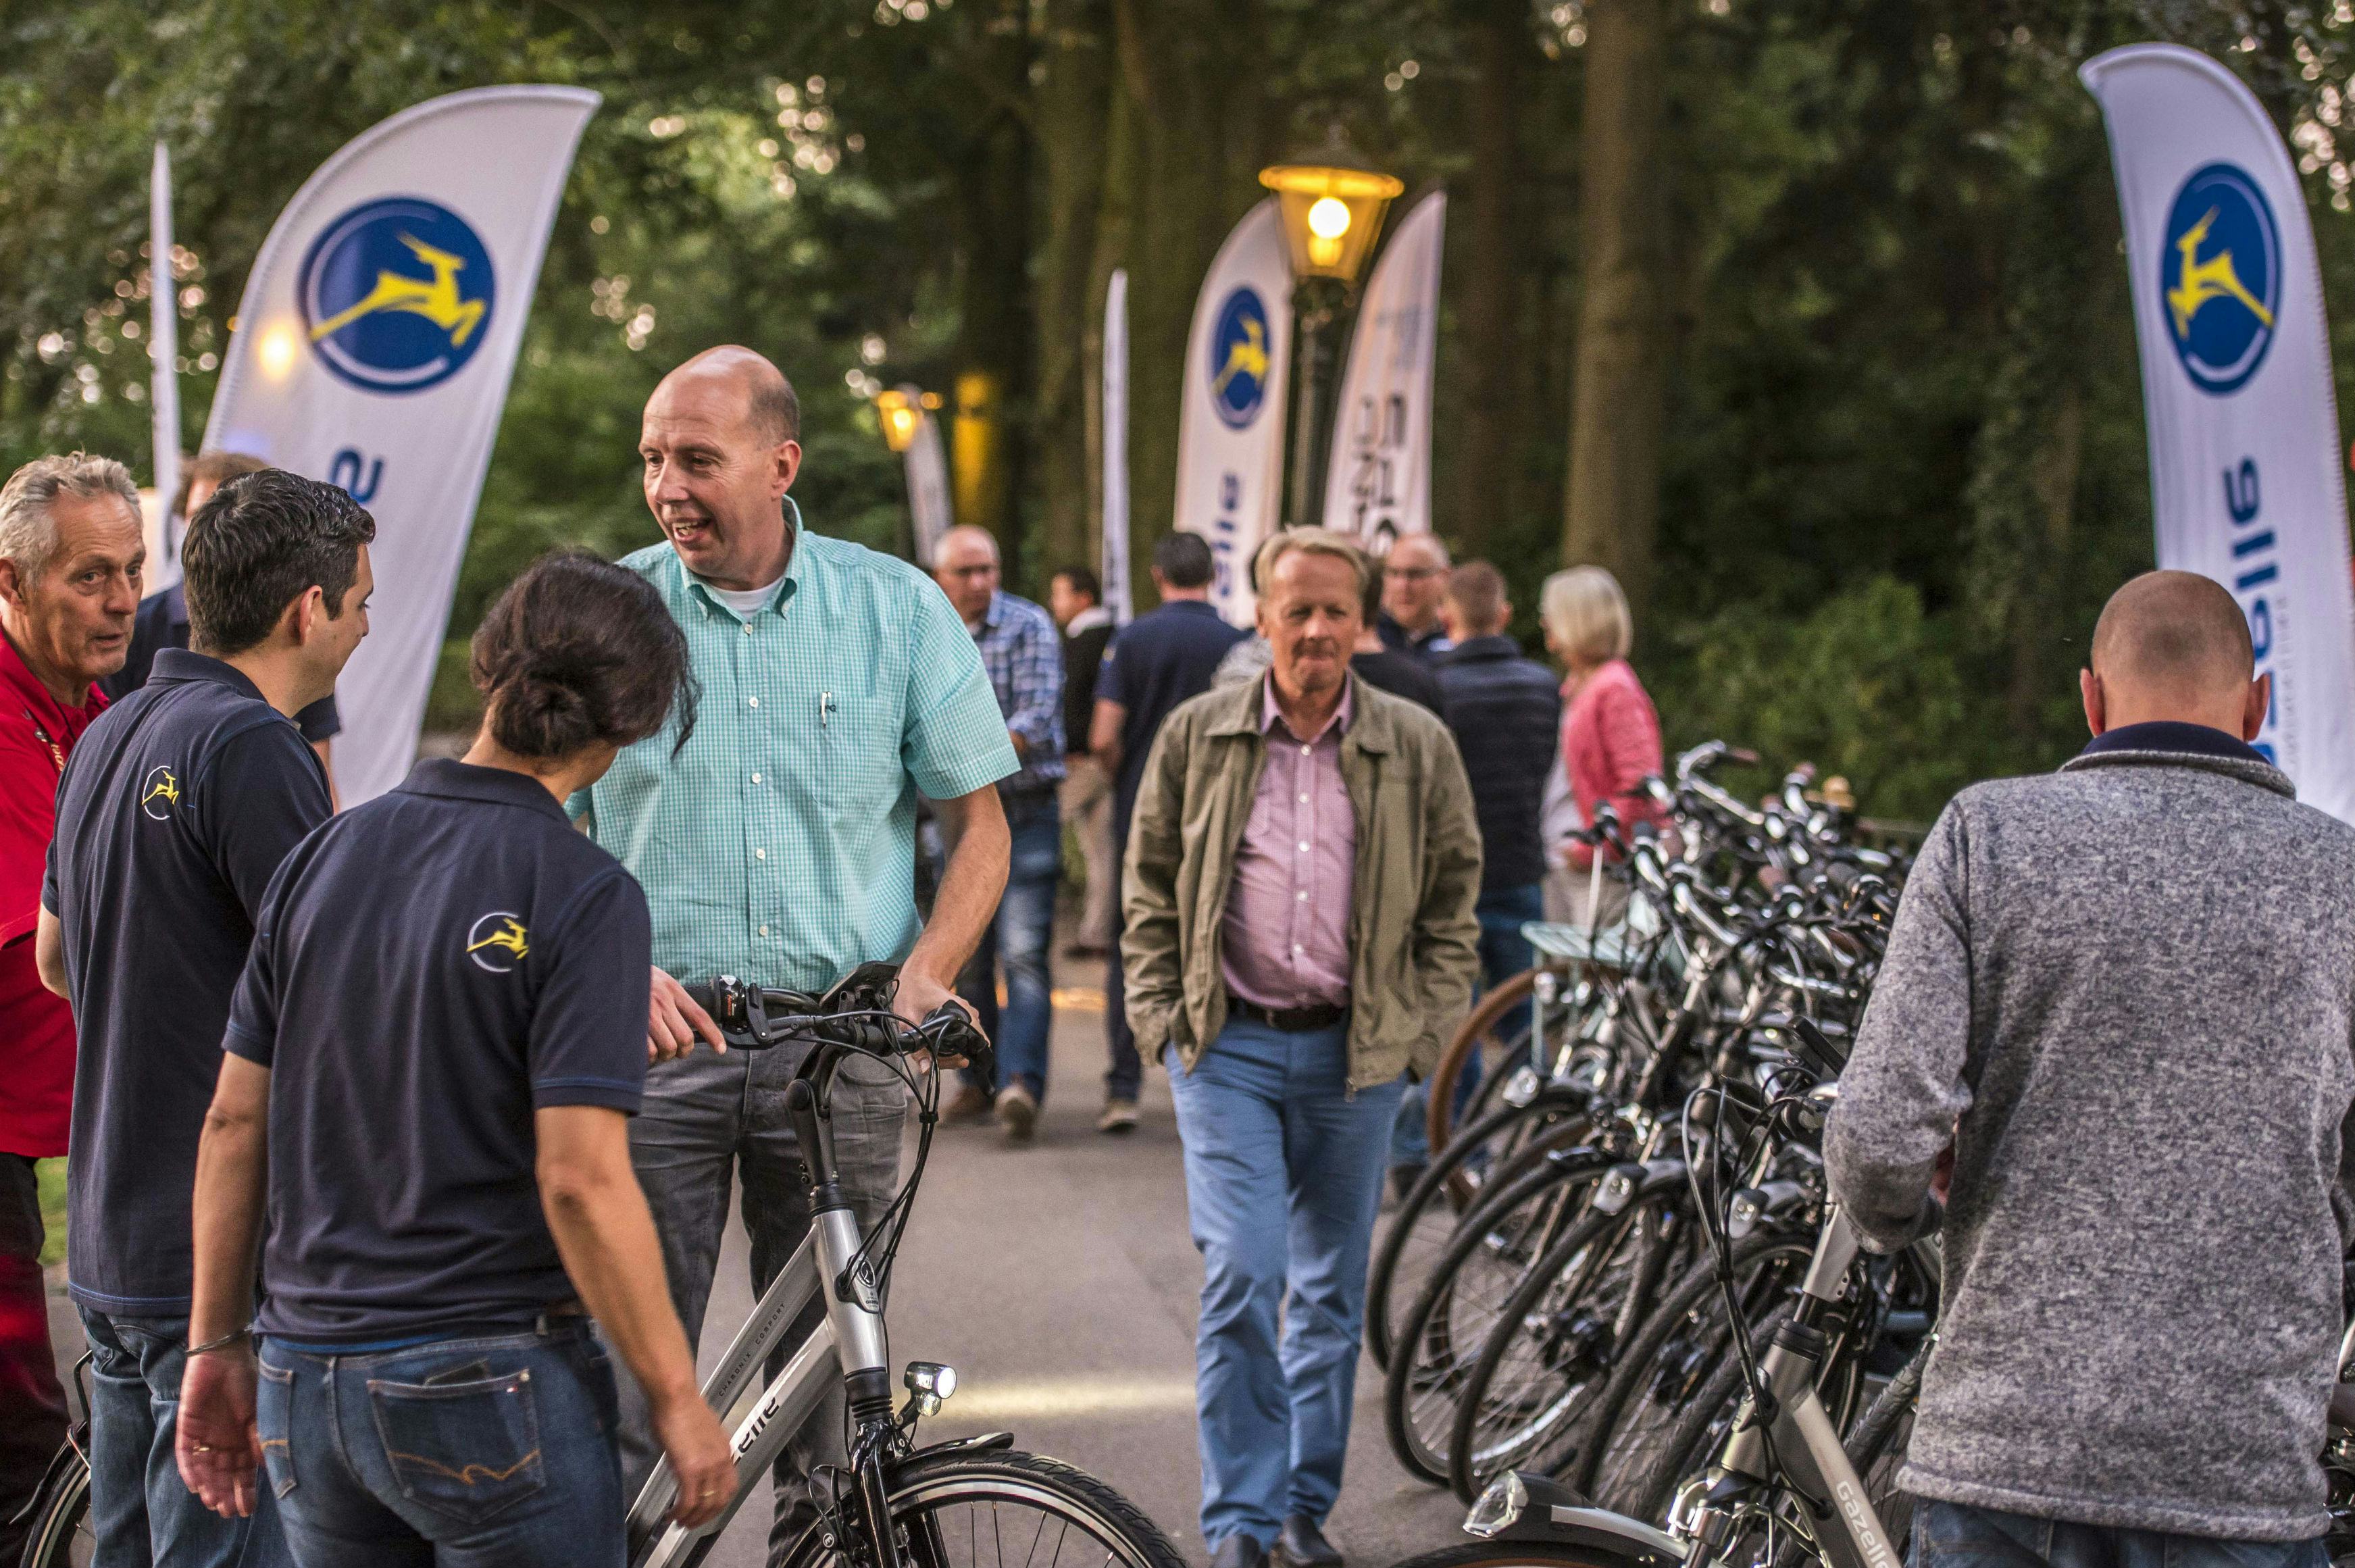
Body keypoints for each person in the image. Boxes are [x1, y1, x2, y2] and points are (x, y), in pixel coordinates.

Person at [175, 551, 738, 1565]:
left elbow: (232, 1122)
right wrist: (677, 1397)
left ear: (487, 669)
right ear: (638, 721)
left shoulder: (323, 856)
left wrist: (215, 1345)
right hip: (486, 1374)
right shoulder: (584, 890)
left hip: (305, 1372)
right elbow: (579, 1177)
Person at [572, 346, 1015, 1557]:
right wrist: (608, 969)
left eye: (696, 459)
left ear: (783, 464)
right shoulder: (607, 614)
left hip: (843, 1048)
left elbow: (979, 826)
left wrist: (930, 970)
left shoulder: (897, 605)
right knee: (626, 1366)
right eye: (654, 457)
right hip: (655, 1042)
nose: (667, 484)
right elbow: (539, 837)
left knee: (830, 1392)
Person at [1825, 569, 2355, 1568]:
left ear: (2090, 698)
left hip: (2005, 1449)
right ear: (2257, 705)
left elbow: (1880, 1130)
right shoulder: (2340, 876)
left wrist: (1902, 1216)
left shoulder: (1984, 835)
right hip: (2239, 1463)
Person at [1124, 528, 1482, 1568]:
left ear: (1361, 622)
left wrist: (1418, 1037)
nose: (1317, 629)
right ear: (1261, 616)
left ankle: (1298, 1507)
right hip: (1226, 1044)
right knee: (1245, 1266)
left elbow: (1455, 900)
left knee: (1327, 1289)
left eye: (1336, 610)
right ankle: (1238, 1519)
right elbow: (1146, 884)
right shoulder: (1199, 734)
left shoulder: (1414, 742)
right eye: (1297, 609)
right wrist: (1162, 1020)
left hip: (1357, 1058)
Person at [36, 469, 373, 1568]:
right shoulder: (254, 744)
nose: (364, 625)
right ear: (306, 610)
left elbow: (53, 960)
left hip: (108, 1229)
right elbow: (329, 999)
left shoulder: (107, 730)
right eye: (361, 601)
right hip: (216, 1256)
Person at [0, 452, 142, 1558]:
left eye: (133, 571)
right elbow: (45, 951)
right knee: (23, 1435)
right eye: (90, 577)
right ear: (13, 577)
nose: (123, 601)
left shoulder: (90, 711)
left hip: (57, 1119)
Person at [1382, 561, 1563, 1191]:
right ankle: (1517, 1150)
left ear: (1446, 617)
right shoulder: (1544, 686)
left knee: (1440, 1017)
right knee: (1520, 1023)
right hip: (1519, 866)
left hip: (1448, 876)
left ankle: (1416, 1151)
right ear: (1505, 615)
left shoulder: (1429, 685)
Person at [1090, 530, 1248, 1134]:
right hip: (1220, 819)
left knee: (1134, 944)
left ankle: (1124, 1089)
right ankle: (1215, 1083)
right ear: (1213, 575)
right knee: (1216, 941)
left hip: (1143, 814)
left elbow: (1104, 735)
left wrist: (1126, 773)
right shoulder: (1239, 643)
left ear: (1158, 576)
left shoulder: (1133, 639)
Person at [101, 452, 344, 792]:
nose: (209, 532)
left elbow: (319, 774)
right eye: (198, 516)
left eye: (227, 519)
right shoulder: (130, 628)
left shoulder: (300, 626)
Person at [932, 524, 1064, 1142]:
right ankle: (977, 1084)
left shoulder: (1029, 624)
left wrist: (955, 759)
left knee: (1024, 955)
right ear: (941, 577)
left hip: (1024, 811)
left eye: (988, 568)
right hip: (953, 818)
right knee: (967, 955)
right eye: (966, 572)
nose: (980, 582)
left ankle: (1021, 1085)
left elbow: (1034, 721)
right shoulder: (928, 627)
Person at [1541, 565, 1662, 927]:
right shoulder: (1578, 684)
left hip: (1598, 870)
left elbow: (1641, 783)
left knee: (1597, 977)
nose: (1544, 622)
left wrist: (1590, 849)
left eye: (1551, 614)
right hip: (1564, 864)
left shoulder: (1615, 688)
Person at [1052, 564, 1118, 957]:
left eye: (1060, 593)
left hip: (1082, 762)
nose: (1054, 603)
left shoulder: (1086, 642)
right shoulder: (1111, 639)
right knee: (1101, 852)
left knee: (1024, 832)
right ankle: (1098, 933)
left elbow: (1074, 702)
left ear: (1083, 597)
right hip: (1100, 760)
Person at [1375, 532, 1452, 661]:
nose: (1402, 585)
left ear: (1444, 577)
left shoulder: (1461, 637)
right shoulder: (1368, 637)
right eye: (1394, 573)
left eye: (1415, 574)